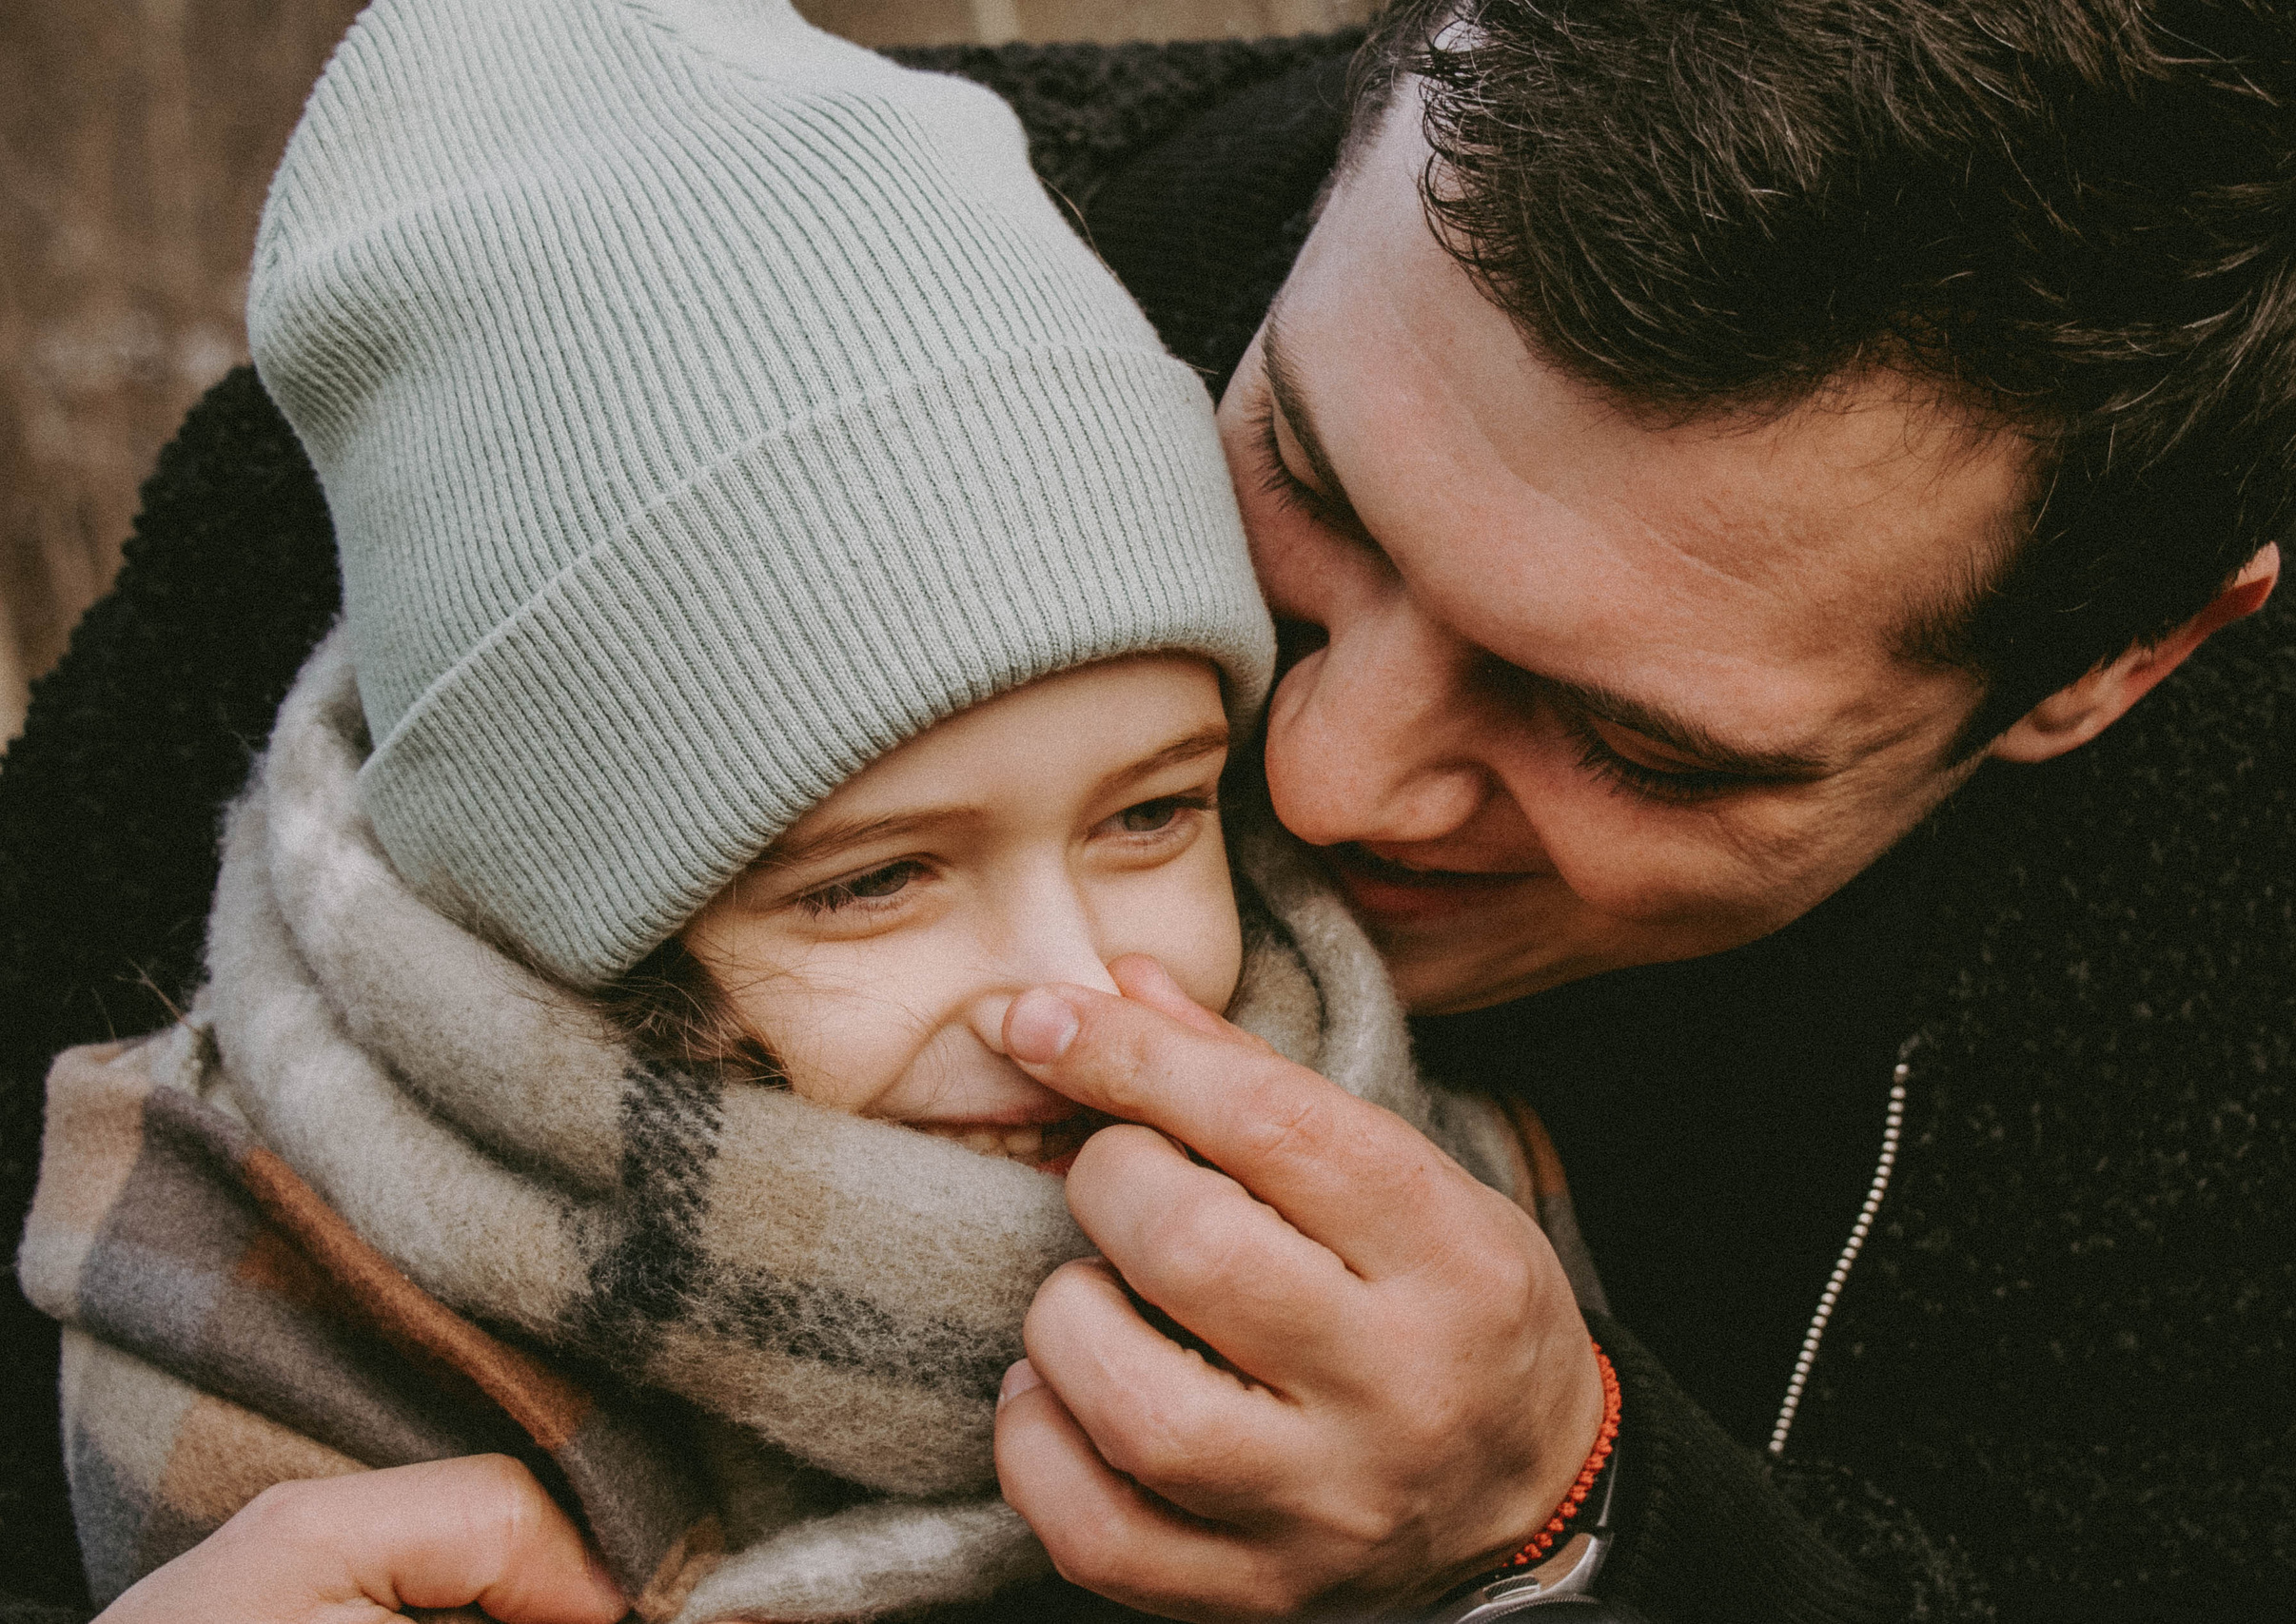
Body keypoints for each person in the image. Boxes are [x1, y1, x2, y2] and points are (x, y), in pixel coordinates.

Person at [3, 1, 2296, 1621]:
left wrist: (1583, 1521)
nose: (1316, 773)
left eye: (1637, 742)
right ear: (1392, 84)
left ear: (2107, 670)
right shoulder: (537, 406)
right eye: (1302, 474)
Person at [9, 1, 1591, 1619]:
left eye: (1147, 818)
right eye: (872, 883)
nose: (1075, 997)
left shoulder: (1436, 1224)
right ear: (552, 915)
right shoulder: (269, 1314)